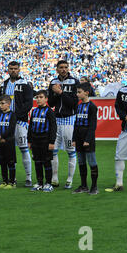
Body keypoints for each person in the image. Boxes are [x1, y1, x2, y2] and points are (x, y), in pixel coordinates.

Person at [47, 60, 80, 189]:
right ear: (57, 69)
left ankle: (69, 179)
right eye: (61, 67)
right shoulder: (53, 82)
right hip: (56, 121)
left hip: (69, 121)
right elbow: (51, 103)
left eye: (66, 67)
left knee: (70, 150)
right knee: (53, 150)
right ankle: (54, 178)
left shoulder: (74, 82)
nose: (63, 69)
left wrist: (60, 92)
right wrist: (55, 93)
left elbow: (73, 103)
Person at [1, 61, 34, 187]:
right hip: (7, 122)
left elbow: (28, 104)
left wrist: (16, 115)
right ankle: (11, 178)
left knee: (24, 148)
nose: (13, 71)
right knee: (9, 151)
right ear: (8, 70)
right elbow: (1, 102)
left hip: (20, 122)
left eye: (15, 68)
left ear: (19, 70)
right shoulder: (4, 84)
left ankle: (29, 177)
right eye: (11, 68)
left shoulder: (25, 84)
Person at [72, 83, 99, 195]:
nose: (77, 94)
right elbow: (76, 123)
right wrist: (74, 138)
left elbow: (93, 125)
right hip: (78, 138)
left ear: (86, 93)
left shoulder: (92, 107)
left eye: (79, 92)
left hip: (88, 139)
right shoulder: (78, 106)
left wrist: (87, 139)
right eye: (77, 92)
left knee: (91, 162)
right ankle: (84, 186)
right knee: (81, 162)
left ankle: (94, 187)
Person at [28, 90, 57, 192]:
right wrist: (29, 141)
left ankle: (48, 183)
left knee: (46, 162)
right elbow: (30, 126)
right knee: (37, 162)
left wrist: (52, 142)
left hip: (45, 140)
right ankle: (39, 182)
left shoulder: (49, 111)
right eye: (37, 97)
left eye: (41, 97)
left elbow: (53, 127)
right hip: (35, 140)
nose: (38, 99)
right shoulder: (34, 111)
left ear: (46, 99)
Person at [0, 95, 17, 189]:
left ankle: (12, 182)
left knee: (10, 162)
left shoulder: (12, 115)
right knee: (2, 162)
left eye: (3, 103)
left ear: (9, 104)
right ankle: (4, 181)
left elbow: (11, 128)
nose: (0, 105)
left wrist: (2, 136)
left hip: (8, 142)